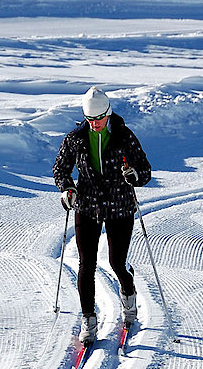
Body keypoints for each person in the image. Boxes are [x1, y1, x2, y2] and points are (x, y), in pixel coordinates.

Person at [53, 86, 151, 346]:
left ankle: (128, 294)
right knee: (87, 264)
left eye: (99, 119)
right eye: (90, 120)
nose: (94, 124)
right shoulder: (75, 138)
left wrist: (135, 176)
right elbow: (60, 168)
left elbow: (145, 170)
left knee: (117, 262)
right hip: (87, 207)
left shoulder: (124, 136)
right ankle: (89, 320)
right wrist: (67, 189)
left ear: (108, 113)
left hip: (119, 207)